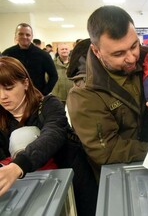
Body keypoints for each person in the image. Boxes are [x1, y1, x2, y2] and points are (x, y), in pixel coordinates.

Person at [66, 5, 148, 184]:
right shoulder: (84, 94)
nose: (131, 58)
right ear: (97, 51)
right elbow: (107, 150)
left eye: (134, 45)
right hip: (122, 176)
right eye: (118, 53)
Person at [0, 56, 97, 215]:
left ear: (25, 83)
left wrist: (19, 165)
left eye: (8, 87)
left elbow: (53, 133)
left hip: (73, 183)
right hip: (32, 194)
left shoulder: (49, 104)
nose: (2, 96)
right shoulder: (3, 119)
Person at [2, 23, 58, 96]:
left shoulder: (43, 55)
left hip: (36, 96)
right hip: (14, 96)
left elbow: (54, 76)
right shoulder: (7, 54)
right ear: (16, 36)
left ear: (31, 37)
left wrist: (43, 93)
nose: (24, 37)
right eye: (21, 34)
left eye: (28, 35)